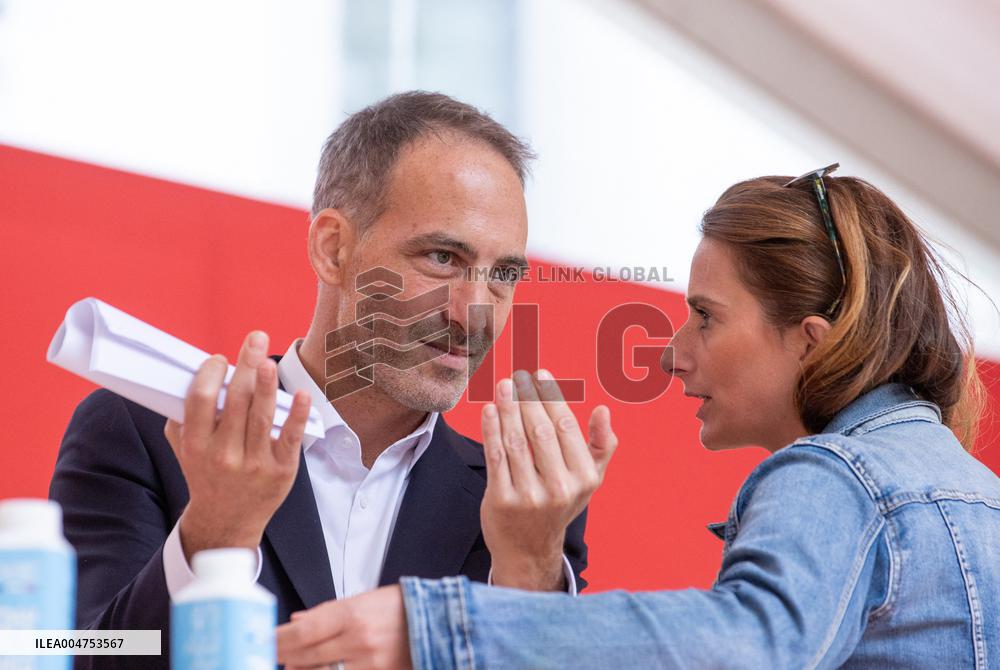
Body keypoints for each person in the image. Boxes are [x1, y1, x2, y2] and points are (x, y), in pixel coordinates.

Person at [276, 165, 1000, 669]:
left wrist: (438, 630)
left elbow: (749, 645)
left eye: (705, 318)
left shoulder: (836, 478)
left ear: (812, 343)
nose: (670, 355)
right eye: (444, 258)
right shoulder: (974, 491)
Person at [49, 92, 611, 670]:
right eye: (442, 257)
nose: (475, 312)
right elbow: (67, 652)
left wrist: (531, 570)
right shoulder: (146, 430)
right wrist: (214, 534)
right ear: (333, 247)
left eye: (503, 275)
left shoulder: (523, 500)